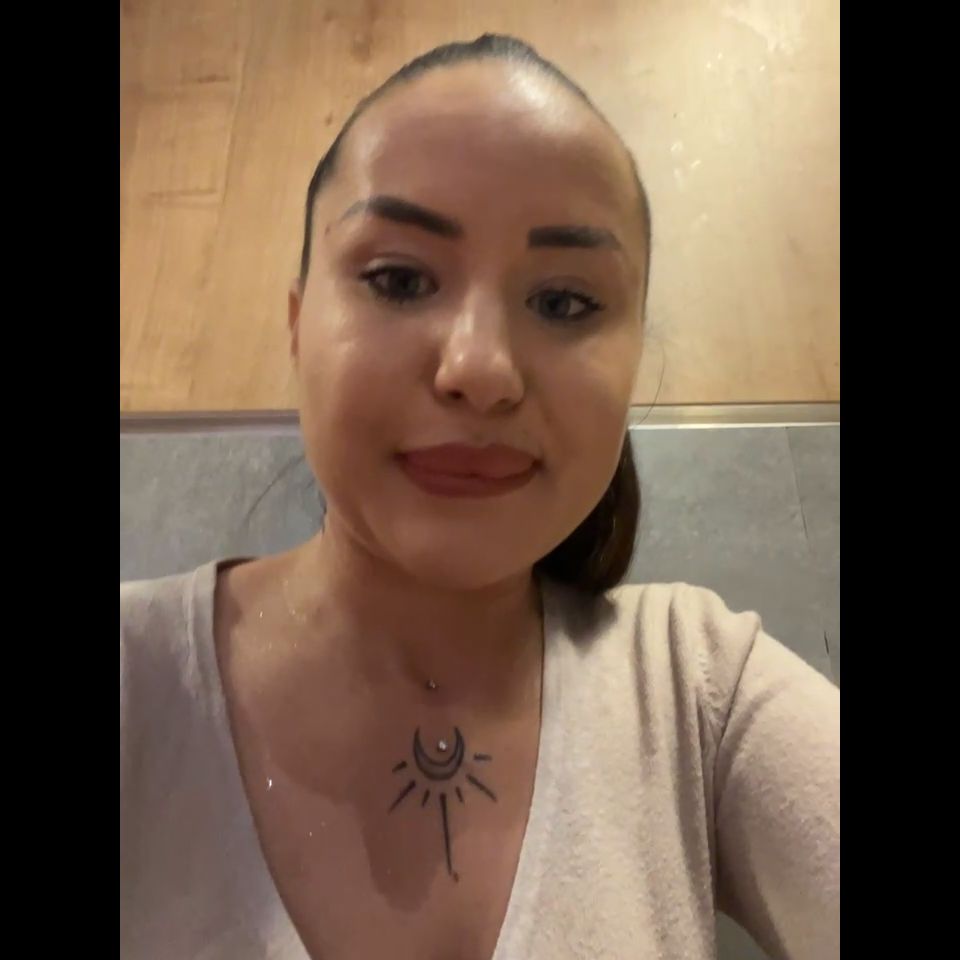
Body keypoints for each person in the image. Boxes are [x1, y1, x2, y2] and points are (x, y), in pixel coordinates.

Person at [120, 34, 839, 960]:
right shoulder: (138, 681)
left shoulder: (698, 690)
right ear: (298, 327)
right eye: (399, 279)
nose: (481, 368)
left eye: (566, 303)